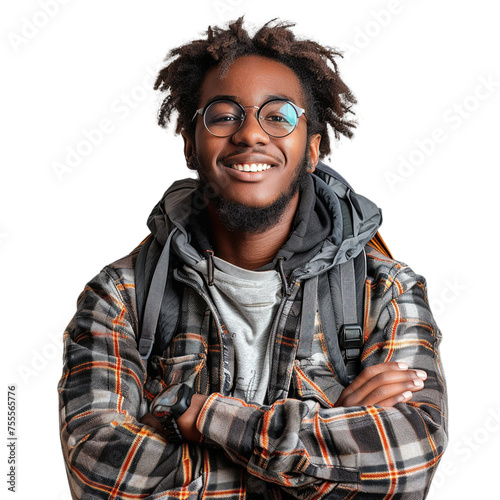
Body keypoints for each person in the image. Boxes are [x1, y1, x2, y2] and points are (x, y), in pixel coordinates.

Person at [58, 18, 447, 499]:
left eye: (279, 115)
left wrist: (200, 416)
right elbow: (100, 475)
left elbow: (406, 468)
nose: (250, 135)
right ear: (189, 144)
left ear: (312, 150)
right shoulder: (119, 297)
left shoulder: (385, 290)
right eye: (223, 116)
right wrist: (324, 445)